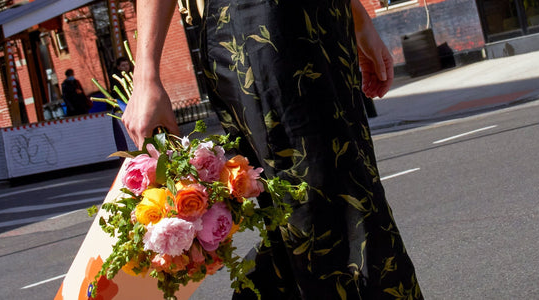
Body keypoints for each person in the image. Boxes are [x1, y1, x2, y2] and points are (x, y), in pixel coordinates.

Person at [123, 0, 423, 299]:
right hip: (263, 26)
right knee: (315, 214)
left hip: (321, 20)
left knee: (344, 200)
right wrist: (146, 76)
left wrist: (358, 17)